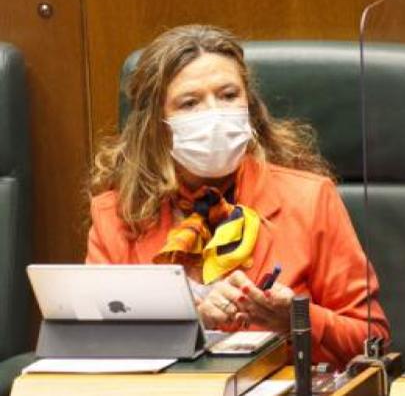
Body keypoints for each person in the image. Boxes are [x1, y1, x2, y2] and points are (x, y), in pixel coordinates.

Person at [87, 24, 388, 369]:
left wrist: (298, 321)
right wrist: (194, 322)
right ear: (156, 125)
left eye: (229, 96)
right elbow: (97, 345)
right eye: (190, 103)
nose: (214, 114)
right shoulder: (116, 214)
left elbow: (372, 339)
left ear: (250, 104)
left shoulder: (309, 199)